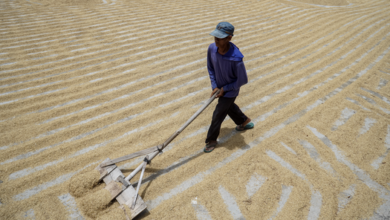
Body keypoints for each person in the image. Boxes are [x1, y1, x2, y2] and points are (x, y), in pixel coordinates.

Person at [204, 21, 254, 153]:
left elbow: (243, 80)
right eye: (215, 36)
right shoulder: (211, 49)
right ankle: (243, 121)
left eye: (219, 38)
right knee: (228, 106)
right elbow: (210, 68)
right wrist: (215, 86)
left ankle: (212, 140)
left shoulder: (236, 58)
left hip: (231, 90)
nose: (216, 40)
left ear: (229, 38)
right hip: (219, 87)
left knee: (218, 114)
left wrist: (225, 89)